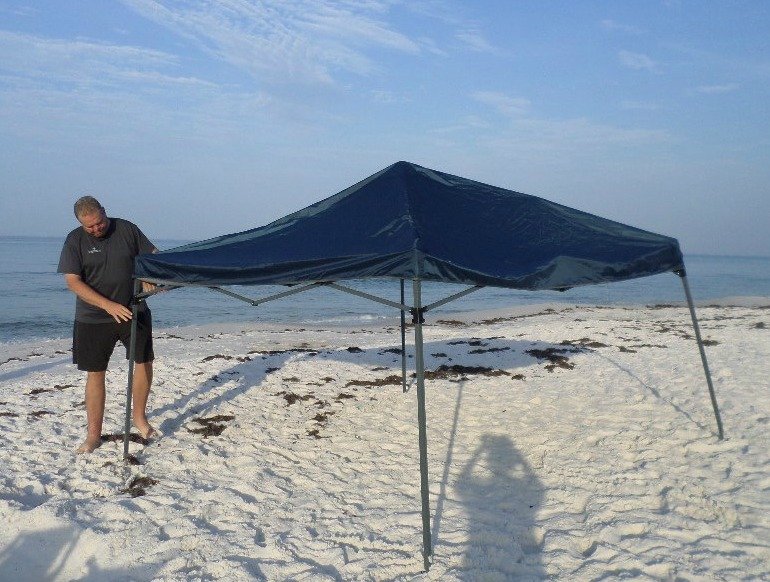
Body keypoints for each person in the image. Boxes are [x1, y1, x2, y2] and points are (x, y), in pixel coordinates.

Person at [58, 196, 157, 453]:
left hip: (134, 309)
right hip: (93, 317)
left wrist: (149, 275)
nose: (95, 229)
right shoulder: (74, 240)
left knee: (143, 362)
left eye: (99, 223)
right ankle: (93, 435)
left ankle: (139, 419)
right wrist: (108, 305)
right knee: (95, 373)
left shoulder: (127, 229)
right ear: (80, 223)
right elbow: (73, 282)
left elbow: (154, 256)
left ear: (104, 212)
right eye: (89, 226)